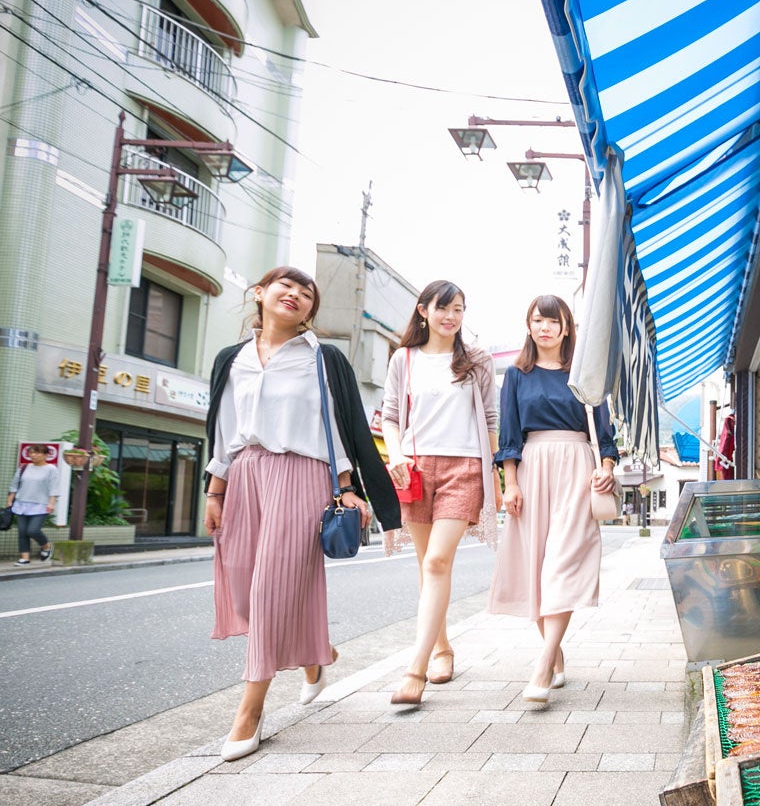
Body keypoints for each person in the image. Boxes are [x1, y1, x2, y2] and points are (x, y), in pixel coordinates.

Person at [204, 265, 399, 761]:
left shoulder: (323, 358)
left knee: (272, 589)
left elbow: (341, 427)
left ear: (311, 310)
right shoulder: (233, 359)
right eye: (284, 286)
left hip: (303, 476)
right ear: (260, 293)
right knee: (245, 588)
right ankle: (316, 654)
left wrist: (350, 488)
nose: (294, 294)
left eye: (305, 292)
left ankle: (249, 711)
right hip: (246, 476)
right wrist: (215, 489)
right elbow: (224, 427)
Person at [488, 294, 618, 704]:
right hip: (531, 467)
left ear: (566, 328)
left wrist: (607, 467)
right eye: (537, 320)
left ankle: (543, 665)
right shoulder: (516, 375)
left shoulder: (583, 374)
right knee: (535, 568)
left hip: (578, 468)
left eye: (552, 320)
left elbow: (604, 430)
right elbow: (509, 433)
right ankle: (556, 654)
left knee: (562, 563)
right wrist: (510, 483)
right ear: (529, 326)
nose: (544, 327)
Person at [381, 280, 498, 705]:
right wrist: (395, 456)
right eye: (444, 308)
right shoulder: (404, 359)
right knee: (428, 566)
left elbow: (490, 419)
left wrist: (494, 478)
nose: (451, 316)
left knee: (437, 560)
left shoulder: (477, 361)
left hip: (464, 466)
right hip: (414, 468)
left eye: (459, 309)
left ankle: (415, 669)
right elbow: (391, 415)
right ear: (423, 311)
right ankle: (443, 648)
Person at [7, 445, 61, 565]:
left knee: (32, 530)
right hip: (21, 503)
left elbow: (54, 487)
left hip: (41, 504)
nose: (33, 455)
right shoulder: (24, 467)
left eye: (37, 453)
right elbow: (14, 484)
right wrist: (10, 499)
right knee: (22, 532)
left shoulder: (51, 469)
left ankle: (46, 546)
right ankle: (25, 558)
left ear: (46, 455)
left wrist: (51, 503)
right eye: (31, 453)